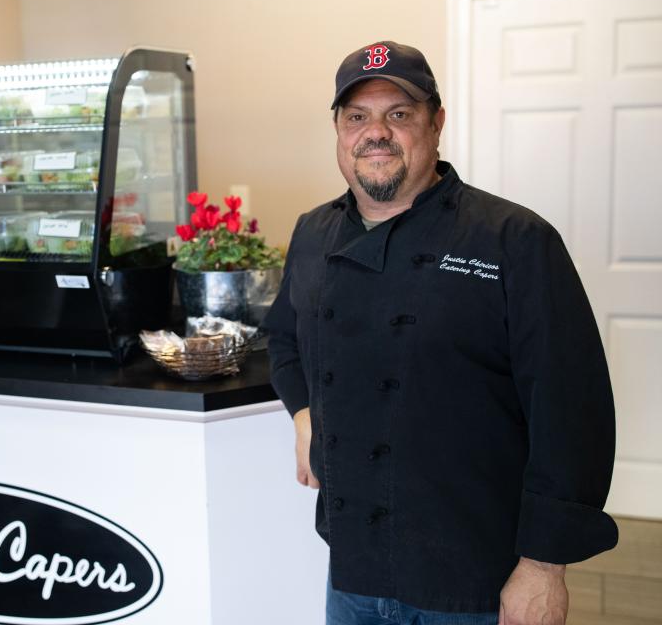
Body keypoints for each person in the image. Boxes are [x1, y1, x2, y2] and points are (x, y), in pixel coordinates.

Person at [263, 41, 618, 625]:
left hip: (476, 573)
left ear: (436, 123)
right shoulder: (312, 233)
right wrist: (304, 413)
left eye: (398, 114)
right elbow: (283, 340)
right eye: (357, 117)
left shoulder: (514, 240)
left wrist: (544, 568)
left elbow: (570, 410)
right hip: (353, 569)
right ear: (338, 130)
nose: (375, 132)